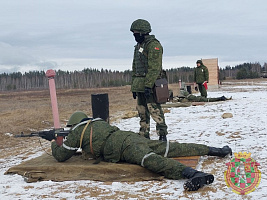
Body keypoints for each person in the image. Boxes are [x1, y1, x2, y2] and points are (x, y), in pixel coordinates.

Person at [47, 111, 232, 191]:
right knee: (174, 148)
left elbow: (61, 156)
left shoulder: (78, 131)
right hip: (130, 137)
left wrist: (54, 143)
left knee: (152, 161)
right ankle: (218, 151)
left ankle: (193, 174)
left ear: (74, 124)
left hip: (125, 147)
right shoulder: (97, 122)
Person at [130, 19, 168, 141]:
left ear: (143, 32)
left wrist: (148, 85)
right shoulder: (138, 46)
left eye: (136, 33)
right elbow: (135, 67)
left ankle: (162, 134)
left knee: (154, 110)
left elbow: (154, 68)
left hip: (151, 84)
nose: (134, 35)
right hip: (140, 84)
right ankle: (144, 134)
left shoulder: (154, 45)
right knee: (142, 111)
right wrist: (134, 87)